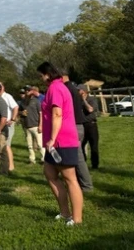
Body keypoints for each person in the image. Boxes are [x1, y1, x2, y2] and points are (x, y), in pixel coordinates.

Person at [38, 62, 84, 226]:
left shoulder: (56, 88)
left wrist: (52, 138)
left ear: (48, 74)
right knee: (50, 174)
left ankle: (77, 219)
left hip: (62, 140)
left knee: (69, 178)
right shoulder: (54, 88)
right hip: (54, 142)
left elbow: (57, 114)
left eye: (41, 75)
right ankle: (65, 212)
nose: (41, 78)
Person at [62, 70, 93, 192]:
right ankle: (80, 183)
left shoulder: (68, 89)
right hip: (77, 125)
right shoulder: (73, 89)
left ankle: (86, 185)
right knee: (76, 157)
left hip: (74, 125)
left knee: (78, 158)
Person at [80, 86, 100, 170]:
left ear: (85, 92)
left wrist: (84, 100)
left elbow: (90, 109)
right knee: (81, 145)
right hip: (82, 125)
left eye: (80, 91)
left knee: (93, 145)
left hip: (91, 125)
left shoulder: (92, 99)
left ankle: (95, 164)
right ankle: (83, 163)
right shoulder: (78, 101)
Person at [24, 86, 45, 164]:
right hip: (27, 126)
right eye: (26, 91)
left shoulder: (36, 101)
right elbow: (20, 111)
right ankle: (32, 159)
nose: (27, 92)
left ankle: (44, 159)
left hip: (36, 125)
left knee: (40, 144)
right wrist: (21, 113)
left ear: (32, 92)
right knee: (30, 145)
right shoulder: (24, 101)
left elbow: (41, 114)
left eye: (28, 90)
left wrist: (40, 125)